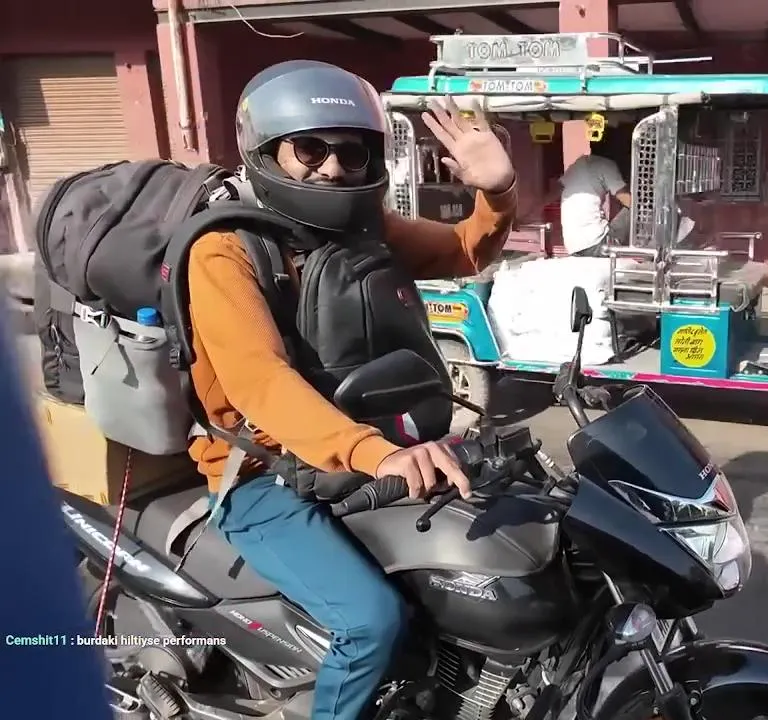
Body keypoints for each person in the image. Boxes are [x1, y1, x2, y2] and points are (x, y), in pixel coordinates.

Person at [188, 61, 516, 719]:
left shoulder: (364, 227)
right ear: (265, 152)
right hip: (260, 474)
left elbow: (463, 251)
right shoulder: (226, 248)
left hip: (362, 452)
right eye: (310, 149)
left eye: (351, 151)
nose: (333, 169)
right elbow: (259, 380)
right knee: (371, 622)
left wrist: (499, 193)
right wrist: (376, 453)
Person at [558, 149, 632, 257]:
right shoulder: (607, 165)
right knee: (640, 208)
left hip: (572, 246)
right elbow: (628, 200)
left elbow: (558, 188)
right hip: (597, 244)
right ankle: (649, 252)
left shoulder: (577, 165)